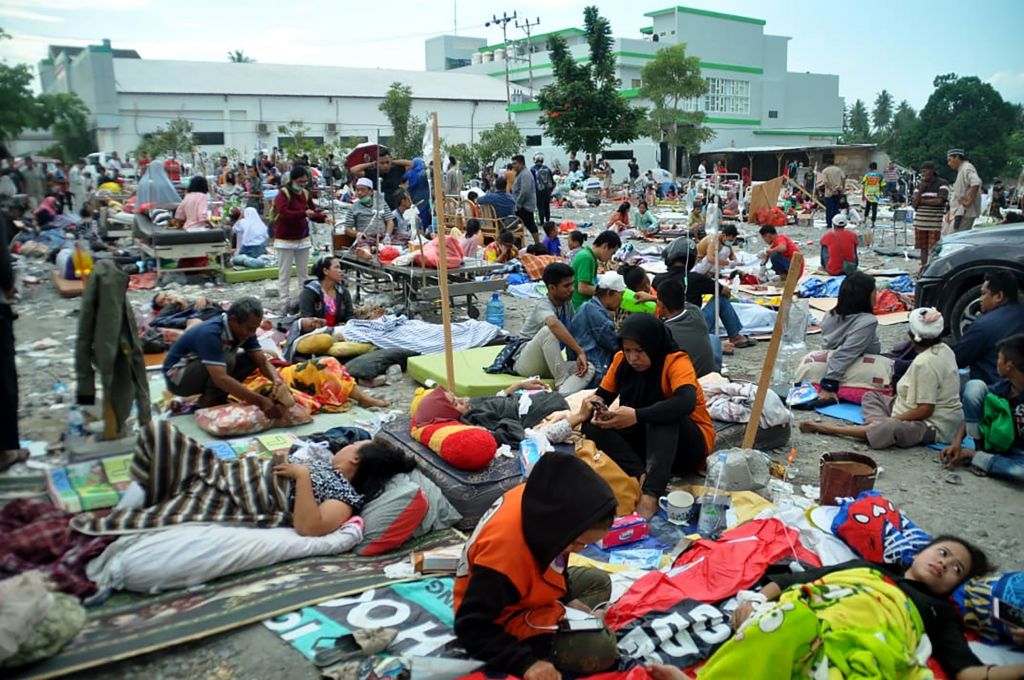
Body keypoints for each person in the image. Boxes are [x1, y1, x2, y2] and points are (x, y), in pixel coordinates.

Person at [671, 536, 1024, 680]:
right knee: (784, 620)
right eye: (943, 553)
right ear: (919, 551)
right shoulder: (868, 569)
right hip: (812, 625)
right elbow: (801, 580)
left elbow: (968, 672)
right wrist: (758, 600)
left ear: (955, 586)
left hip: (870, 649)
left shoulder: (938, 611)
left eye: (956, 569)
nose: (945, 564)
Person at [454, 453, 619, 679]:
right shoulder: (504, 558)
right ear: (557, 530)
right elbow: (470, 627)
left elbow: (558, 564)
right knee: (601, 651)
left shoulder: (543, 502)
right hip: (504, 614)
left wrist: (568, 598)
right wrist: (526, 664)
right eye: (577, 543)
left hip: (528, 587)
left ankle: (575, 622)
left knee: (598, 582)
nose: (580, 550)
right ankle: (556, 636)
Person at [582, 314, 715, 520]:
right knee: (592, 424)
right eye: (628, 350)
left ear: (653, 346)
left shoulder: (676, 360)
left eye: (640, 351)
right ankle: (640, 474)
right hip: (648, 448)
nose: (633, 358)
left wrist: (637, 415)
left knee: (663, 414)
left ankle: (651, 494)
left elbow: (685, 402)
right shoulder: (621, 361)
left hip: (687, 445)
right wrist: (597, 407)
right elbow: (603, 395)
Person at [801, 308, 962, 449]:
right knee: (871, 396)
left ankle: (828, 428)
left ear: (912, 337)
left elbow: (926, 409)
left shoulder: (924, 363)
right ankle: (875, 426)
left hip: (932, 424)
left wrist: (894, 419)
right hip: (907, 406)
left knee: (889, 427)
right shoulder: (944, 349)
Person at [162, 297, 284, 416]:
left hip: (200, 370)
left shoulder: (246, 331)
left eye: (255, 329)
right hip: (178, 379)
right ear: (233, 320)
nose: (252, 333)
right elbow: (220, 378)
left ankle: (215, 397)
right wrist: (260, 401)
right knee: (227, 360)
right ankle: (208, 402)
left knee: (251, 359)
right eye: (249, 329)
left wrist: (277, 380)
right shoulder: (211, 332)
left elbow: (261, 360)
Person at [942, 334, 1024, 483]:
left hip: (1019, 453)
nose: (996, 363)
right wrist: (957, 442)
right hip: (996, 444)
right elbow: (971, 413)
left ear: (1009, 365)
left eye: (999, 358)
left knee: (1021, 471)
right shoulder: (1004, 387)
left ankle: (975, 457)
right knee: (975, 387)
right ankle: (980, 452)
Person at [652, 236, 753, 352]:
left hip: (668, 327)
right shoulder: (696, 279)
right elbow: (725, 291)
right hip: (693, 326)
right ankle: (735, 336)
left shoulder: (657, 279)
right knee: (720, 299)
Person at [801, 272, 881, 407]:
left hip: (826, 362)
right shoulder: (867, 321)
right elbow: (846, 353)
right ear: (865, 296)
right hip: (850, 366)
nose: (876, 295)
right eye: (874, 292)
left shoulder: (830, 314)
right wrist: (829, 384)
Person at [513, 263, 594, 395]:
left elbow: (574, 329)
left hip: (550, 362)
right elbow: (553, 324)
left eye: (572, 284)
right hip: (527, 362)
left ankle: (562, 394)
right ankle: (561, 382)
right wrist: (580, 351)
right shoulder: (543, 304)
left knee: (588, 368)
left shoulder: (566, 304)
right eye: (566, 286)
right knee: (548, 330)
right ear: (551, 287)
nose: (572, 289)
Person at [954, 270, 1024, 385]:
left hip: (994, 391)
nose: (981, 299)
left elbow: (957, 359)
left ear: (999, 296)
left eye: (984, 293)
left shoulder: (983, 325)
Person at [273, 166, 326, 301]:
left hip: (302, 238)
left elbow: (312, 212)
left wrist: (324, 218)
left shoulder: (305, 193)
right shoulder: (283, 193)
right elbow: (283, 213)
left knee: (303, 273)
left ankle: (304, 298)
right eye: (300, 182)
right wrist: (303, 213)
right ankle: (284, 300)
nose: (302, 184)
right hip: (285, 239)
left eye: (304, 182)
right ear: (293, 180)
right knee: (284, 273)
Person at [568, 271, 624, 381]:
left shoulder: (588, 306)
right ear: (610, 293)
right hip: (594, 370)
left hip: (578, 362)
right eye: (621, 295)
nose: (622, 299)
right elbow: (615, 345)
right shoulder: (598, 316)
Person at [656, 279, 716, 378]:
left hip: (689, 384)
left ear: (661, 305)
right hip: (709, 375)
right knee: (713, 339)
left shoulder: (664, 333)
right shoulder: (696, 312)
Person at [911, 161, 949, 269]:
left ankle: (932, 268)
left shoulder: (942, 183)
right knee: (923, 248)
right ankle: (923, 267)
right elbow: (914, 204)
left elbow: (940, 201)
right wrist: (921, 191)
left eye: (925, 171)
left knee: (933, 248)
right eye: (922, 172)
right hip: (920, 222)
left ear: (932, 171)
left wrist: (921, 201)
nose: (923, 174)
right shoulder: (920, 184)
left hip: (933, 223)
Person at [571, 230, 622, 310]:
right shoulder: (586, 258)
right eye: (612, 253)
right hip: (579, 306)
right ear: (605, 246)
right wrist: (605, 293)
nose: (610, 257)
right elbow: (583, 288)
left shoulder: (589, 256)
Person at [299, 256, 353, 327]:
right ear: (325, 271)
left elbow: (349, 315)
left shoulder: (343, 292)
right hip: (315, 333)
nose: (340, 271)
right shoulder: (310, 292)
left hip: (339, 331)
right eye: (336, 267)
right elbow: (307, 320)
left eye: (340, 268)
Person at [343, 177, 391, 241]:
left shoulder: (380, 203)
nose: (359, 193)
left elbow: (390, 221)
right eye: (357, 190)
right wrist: (357, 234)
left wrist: (387, 236)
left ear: (371, 191)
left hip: (382, 238)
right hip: (365, 240)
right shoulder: (353, 207)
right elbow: (347, 229)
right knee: (365, 250)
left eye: (362, 190)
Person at [946, 148, 982, 233]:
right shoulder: (962, 169)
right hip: (959, 211)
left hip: (964, 212)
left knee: (955, 239)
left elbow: (976, 182)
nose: (949, 163)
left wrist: (969, 201)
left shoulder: (967, 168)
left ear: (957, 157)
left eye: (950, 160)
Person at [512, 154, 542, 245]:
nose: (513, 166)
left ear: (521, 163)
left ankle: (537, 244)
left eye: (515, 163)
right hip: (522, 205)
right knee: (523, 225)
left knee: (530, 224)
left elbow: (524, 191)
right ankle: (520, 244)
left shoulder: (525, 174)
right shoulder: (520, 173)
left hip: (525, 205)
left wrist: (518, 204)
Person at [820, 155, 845, 229]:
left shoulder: (825, 171)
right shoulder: (838, 170)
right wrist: (842, 187)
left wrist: (831, 189)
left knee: (829, 209)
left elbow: (826, 182)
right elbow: (843, 178)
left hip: (829, 193)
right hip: (838, 191)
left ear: (827, 164)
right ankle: (836, 224)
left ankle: (829, 224)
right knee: (836, 208)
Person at [532, 153, 554, 224]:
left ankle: (542, 221)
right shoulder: (547, 169)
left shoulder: (533, 169)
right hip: (547, 190)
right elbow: (552, 181)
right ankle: (547, 220)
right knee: (547, 206)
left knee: (540, 206)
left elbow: (532, 181)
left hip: (538, 190)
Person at [861, 161, 884, 229]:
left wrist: (863, 195)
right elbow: (882, 185)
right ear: (876, 167)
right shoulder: (880, 175)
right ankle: (873, 223)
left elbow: (864, 185)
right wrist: (881, 193)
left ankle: (865, 219)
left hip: (868, 194)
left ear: (870, 168)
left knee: (867, 207)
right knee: (874, 209)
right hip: (875, 194)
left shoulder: (867, 175)